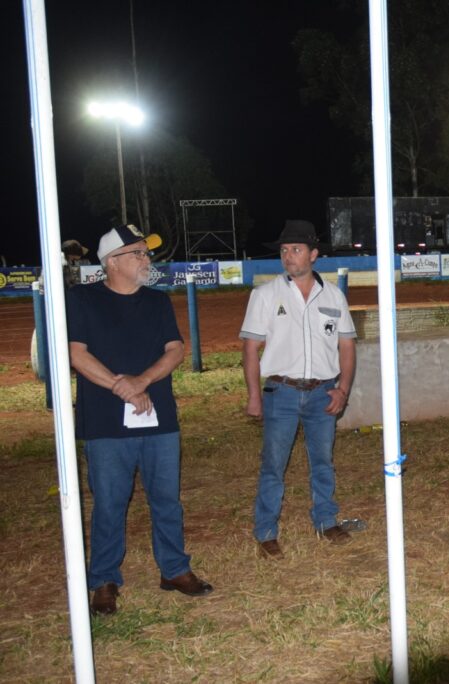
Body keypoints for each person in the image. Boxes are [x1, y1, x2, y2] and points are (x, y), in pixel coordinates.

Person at [68, 224, 213, 615]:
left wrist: (143, 380)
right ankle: (104, 579)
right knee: (110, 503)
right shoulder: (82, 299)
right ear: (112, 262)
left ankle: (174, 569)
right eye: (138, 253)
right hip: (105, 423)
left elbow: (176, 349)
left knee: (166, 498)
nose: (146, 259)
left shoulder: (157, 301)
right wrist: (124, 387)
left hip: (159, 420)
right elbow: (76, 355)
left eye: (145, 253)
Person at [240, 220, 359, 558]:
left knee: (323, 460)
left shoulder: (334, 295)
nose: (288, 256)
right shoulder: (265, 295)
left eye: (295, 249)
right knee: (274, 465)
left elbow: (347, 345)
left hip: (324, 392)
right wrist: (252, 395)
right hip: (282, 392)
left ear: (314, 254)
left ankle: (326, 519)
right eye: (284, 251)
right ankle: (266, 532)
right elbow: (250, 348)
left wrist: (343, 389)